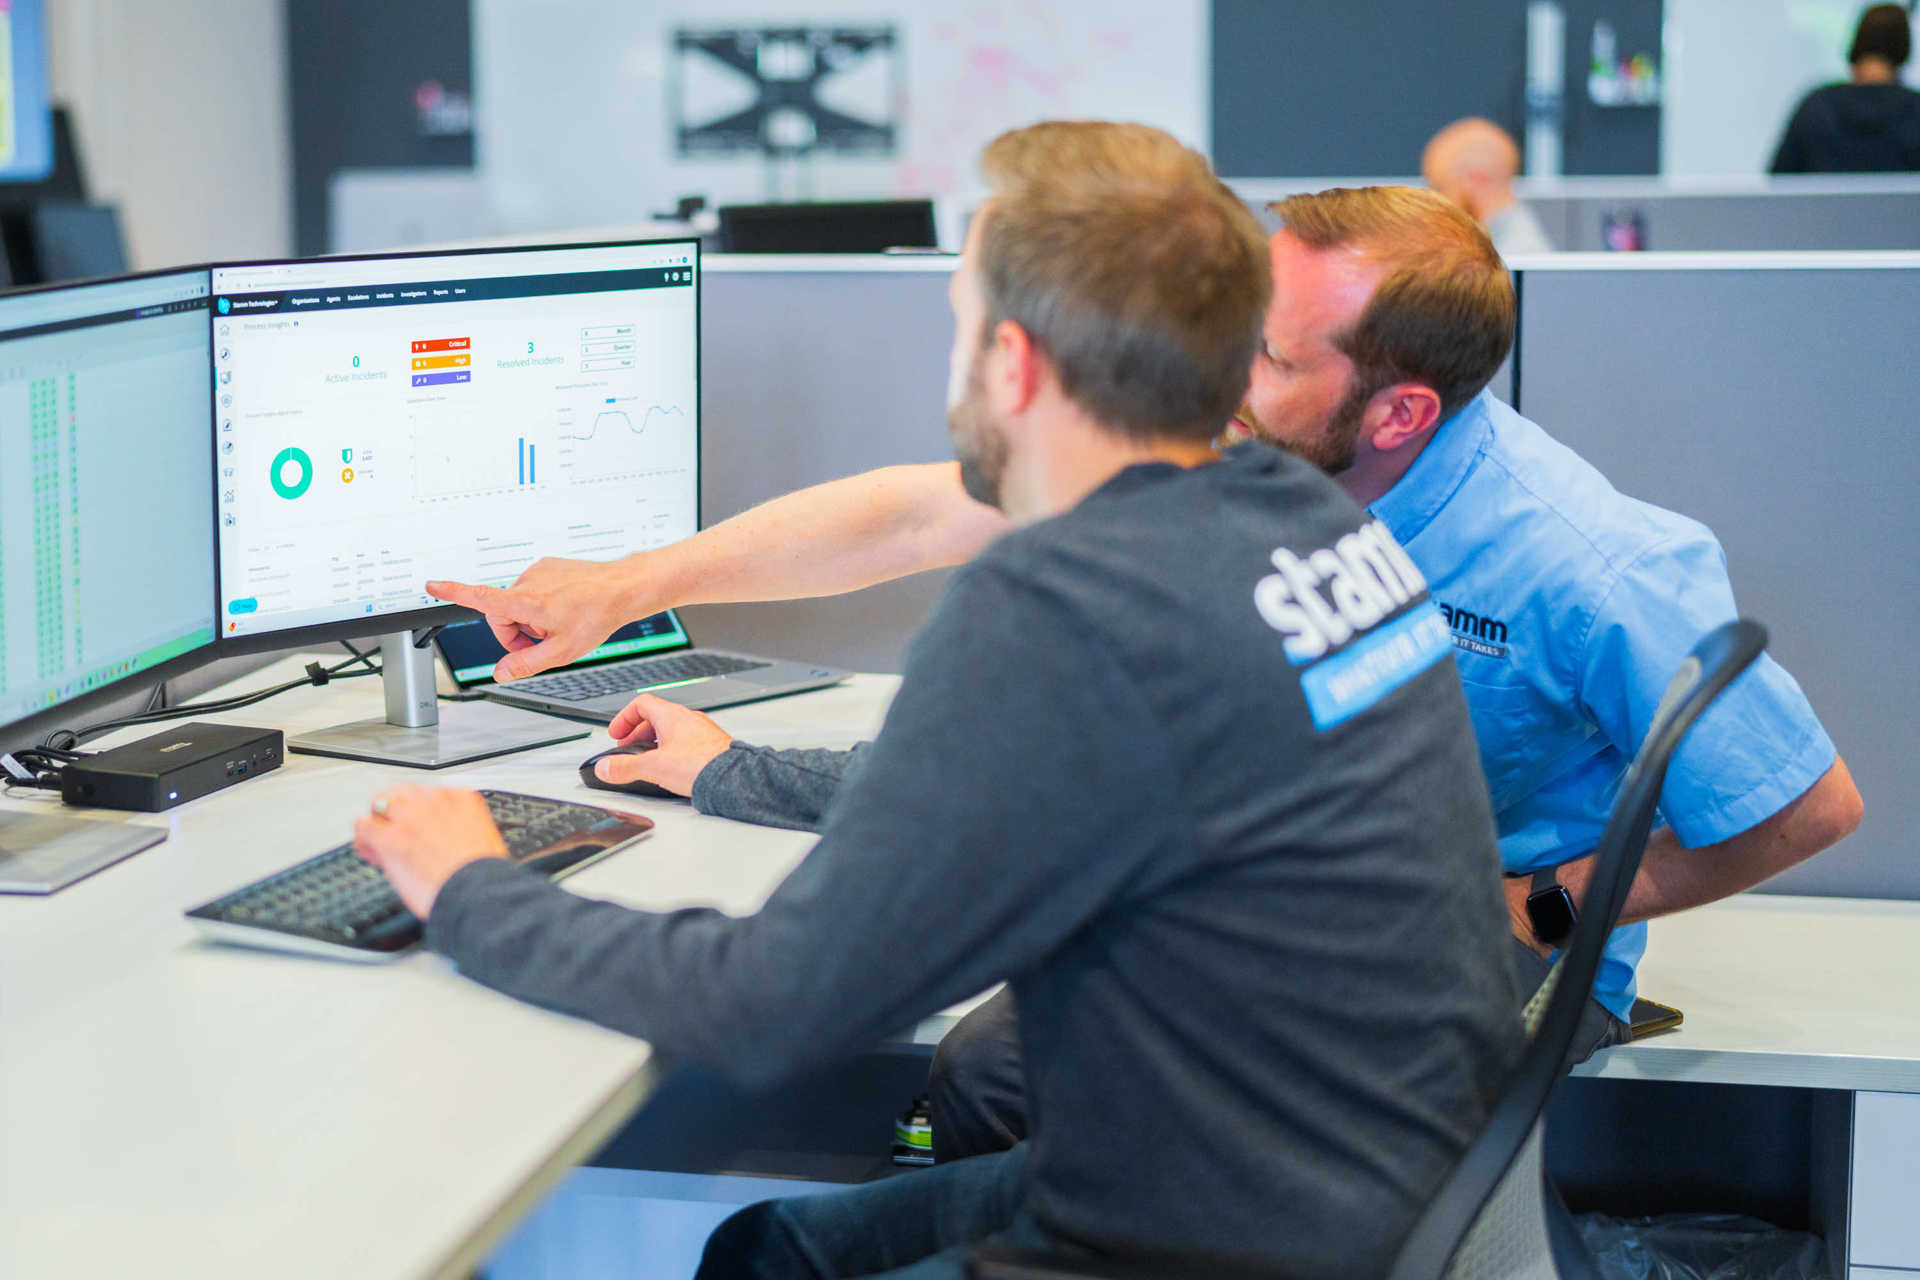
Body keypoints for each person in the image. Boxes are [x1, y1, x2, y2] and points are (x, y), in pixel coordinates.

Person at [427, 183, 1863, 1168]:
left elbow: (1804, 807)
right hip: (1286, 899)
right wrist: (639, 584)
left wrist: (1548, 905)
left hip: (1479, 955)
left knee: (997, 1073)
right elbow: (926, 513)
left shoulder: (1582, 561)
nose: (1225, 373)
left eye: (1271, 355)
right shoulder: (1268, 450)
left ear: (1399, 408)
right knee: (989, 1063)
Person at [357, 123, 1524, 1277]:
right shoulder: (1289, 509)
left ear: (1011, 362)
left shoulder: (1066, 604)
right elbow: (945, 580)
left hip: (1232, 1231)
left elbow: (773, 1007)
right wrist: (656, 633)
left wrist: (474, 889)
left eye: (958, 316)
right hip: (1386, 1184)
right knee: (771, 1248)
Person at [1771, 3, 1920, 173]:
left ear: (1855, 45)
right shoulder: (1916, 111)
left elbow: (1777, 187)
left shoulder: (1815, 107)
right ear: (1904, 51)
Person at [1421, 117, 1555, 257]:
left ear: (1477, 179)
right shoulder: (1504, 245)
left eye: (1440, 188)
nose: (1436, 200)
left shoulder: (1514, 258)